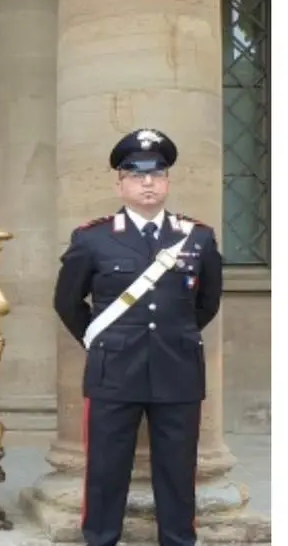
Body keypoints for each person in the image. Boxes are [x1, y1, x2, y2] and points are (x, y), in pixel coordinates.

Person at [52, 128, 223, 546]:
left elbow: (207, 303)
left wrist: (175, 336)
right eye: (136, 173)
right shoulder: (92, 238)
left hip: (177, 369)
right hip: (114, 370)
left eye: (157, 173)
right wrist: (105, 340)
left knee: (178, 470)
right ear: (120, 183)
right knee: (106, 469)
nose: (147, 182)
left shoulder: (197, 238)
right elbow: (68, 303)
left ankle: (179, 540)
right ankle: (101, 539)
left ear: (167, 181)